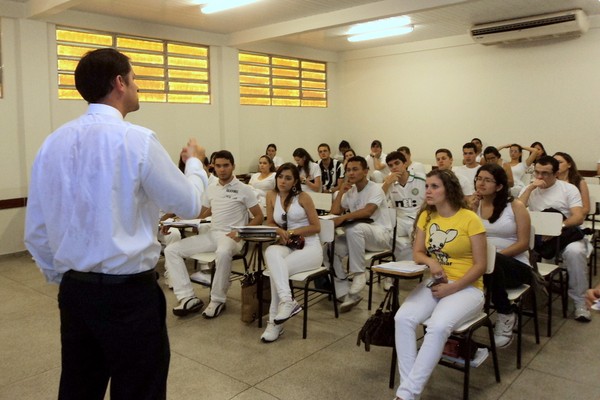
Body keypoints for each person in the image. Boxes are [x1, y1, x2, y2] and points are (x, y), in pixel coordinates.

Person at [24, 48, 206, 400]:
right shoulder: (136, 140)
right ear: (119, 82)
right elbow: (188, 203)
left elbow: (36, 231)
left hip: (76, 292)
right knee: (139, 388)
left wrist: (65, 277)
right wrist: (195, 164)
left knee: (79, 386)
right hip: (128, 296)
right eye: (134, 78)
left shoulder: (53, 143)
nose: (137, 86)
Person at [393, 169, 487, 400]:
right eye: (427, 186)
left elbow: (481, 265)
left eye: (434, 186)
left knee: (437, 326)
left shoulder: (469, 218)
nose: (428, 191)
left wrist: (452, 288)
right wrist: (430, 262)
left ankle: (406, 394)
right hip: (436, 281)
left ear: (449, 190)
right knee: (403, 318)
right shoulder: (427, 215)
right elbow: (417, 253)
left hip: (468, 287)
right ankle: (409, 390)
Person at [164, 150, 264, 319]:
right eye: (218, 166)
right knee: (171, 250)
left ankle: (217, 299)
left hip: (233, 237)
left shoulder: (244, 189)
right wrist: (172, 220)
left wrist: (240, 232)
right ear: (213, 167)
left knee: (223, 252)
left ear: (233, 166)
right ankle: (187, 297)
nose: (222, 169)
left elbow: (259, 216)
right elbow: (199, 214)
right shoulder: (211, 189)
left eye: (226, 165)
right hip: (213, 235)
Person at [518, 156, 590, 322]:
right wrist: (529, 189)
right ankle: (528, 297)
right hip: (537, 238)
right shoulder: (531, 188)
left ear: (556, 173)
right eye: (537, 172)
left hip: (564, 235)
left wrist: (558, 227)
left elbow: (578, 217)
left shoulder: (568, 189)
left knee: (576, 252)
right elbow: (517, 210)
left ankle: (580, 302)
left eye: (545, 173)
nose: (540, 176)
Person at [470, 164, 532, 347]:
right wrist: (471, 211)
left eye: (487, 180)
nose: (481, 183)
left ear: (499, 186)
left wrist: (492, 257)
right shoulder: (474, 205)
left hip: (516, 267)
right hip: (484, 266)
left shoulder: (516, 206)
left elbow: (523, 243)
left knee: (491, 262)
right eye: (479, 178)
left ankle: (506, 314)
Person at [261, 163, 322, 342]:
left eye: (288, 178)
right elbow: (270, 222)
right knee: (271, 252)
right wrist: (278, 231)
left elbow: (316, 227)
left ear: (295, 181)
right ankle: (288, 301)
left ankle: (274, 323)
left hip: (310, 247)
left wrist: (292, 232)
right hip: (288, 245)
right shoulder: (271, 195)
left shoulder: (303, 197)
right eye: (280, 177)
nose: (283, 181)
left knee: (277, 270)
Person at [330, 156, 393, 312]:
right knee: (330, 248)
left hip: (380, 236)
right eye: (348, 170)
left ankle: (359, 274)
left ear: (365, 171)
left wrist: (343, 218)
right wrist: (340, 192)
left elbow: (368, 211)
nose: (351, 173)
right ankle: (345, 292)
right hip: (358, 237)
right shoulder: (350, 191)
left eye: (355, 169)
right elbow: (335, 212)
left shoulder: (375, 189)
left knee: (354, 228)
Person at [382, 151, 426, 258]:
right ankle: (404, 259)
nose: (394, 167)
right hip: (399, 219)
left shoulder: (422, 179)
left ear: (405, 164)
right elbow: (377, 202)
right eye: (391, 165)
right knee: (384, 234)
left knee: (416, 237)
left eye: (397, 163)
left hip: (418, 218)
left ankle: (412, 262)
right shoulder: (389, 181)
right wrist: (387, 184)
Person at [554, 152, 591, 216]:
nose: (556, 165)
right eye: (554, 163)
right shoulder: (550, 182)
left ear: (569, 165)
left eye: (560, 162)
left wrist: (572, 217)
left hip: (572, 218)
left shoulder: (580, 182)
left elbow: (586, 208)